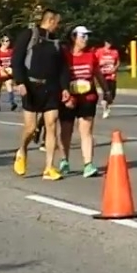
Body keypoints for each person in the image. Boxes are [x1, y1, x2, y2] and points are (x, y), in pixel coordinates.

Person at [11, 8, 65, 178]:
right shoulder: (29, 35)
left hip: (51, 87)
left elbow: (63, 67)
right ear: (50, 21)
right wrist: (20, 82)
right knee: (31, 128)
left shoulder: (56, 42)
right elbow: (16, 60)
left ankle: (49, 167)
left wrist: (64, 88)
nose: (58, 26)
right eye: (57, 23)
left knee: (51, 124)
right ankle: (22, 150)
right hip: (31, 86)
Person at [58, 27, 104, 178]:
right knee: (66, 130)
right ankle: (64, 160)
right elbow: (58, 76)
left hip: (87, 97)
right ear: (73, 37)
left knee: (86, 131)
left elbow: (98, 74)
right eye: (82, 36)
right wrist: (64, 94)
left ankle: (88, 164)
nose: (85, 39)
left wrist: (107, 92)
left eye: (87, 36)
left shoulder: (91, 55)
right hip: (69, 98)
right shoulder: (65, 55)